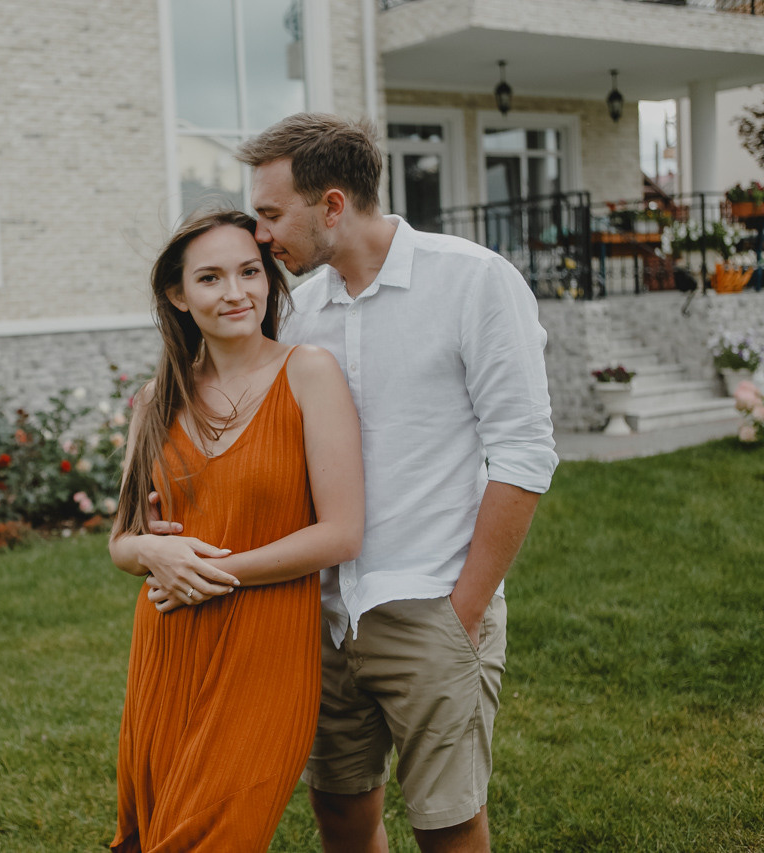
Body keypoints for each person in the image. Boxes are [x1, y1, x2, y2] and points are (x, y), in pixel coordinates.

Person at [230, 113, 559, 852]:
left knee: (449, 828)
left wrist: (463, 608)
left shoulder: (473, 280)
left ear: (334, 205)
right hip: (321, 613)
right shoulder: (299, 312)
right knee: (341, 814)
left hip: (433, 603)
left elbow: (524, 452)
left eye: (272, 213)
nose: (260, 233)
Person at [108, 208, 364, 853]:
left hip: (267, 644)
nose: (236, 293)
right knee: (155, 832)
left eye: (250, 272)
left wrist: (201, 572)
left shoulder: (309, 372)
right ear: (178, 294)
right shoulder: (153, 400)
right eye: (211, 278)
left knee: (216, 832)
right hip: (169, 644)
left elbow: (341, 533)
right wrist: (150, 550)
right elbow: (122, 541)